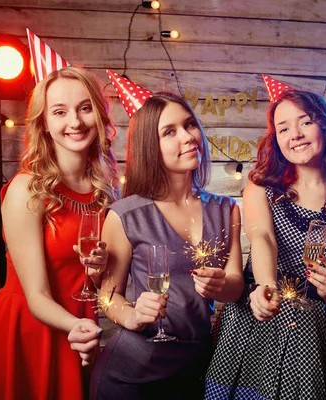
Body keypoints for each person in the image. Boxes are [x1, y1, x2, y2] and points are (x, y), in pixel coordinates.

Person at [0, 66, 120, 399]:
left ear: (99, 115)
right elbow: (36, 296)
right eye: (60, 112)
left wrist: (97, 272)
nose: (75, 122)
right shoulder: (27, 189)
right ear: (44, 123)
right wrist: (77, 327)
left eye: (85, 108)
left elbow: (91, 286)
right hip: (23, 336)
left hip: (79, 335)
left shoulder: (107, 190)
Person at [205, 88, 326, 400]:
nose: (295, 134)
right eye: (283, 128)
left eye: (305, 122)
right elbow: (263, 238)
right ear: (276, 139)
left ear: (325, 125)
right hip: (253, 316)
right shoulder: (262, 189)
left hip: (307, 330)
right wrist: (266, 286)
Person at [89, 90, 244, 400]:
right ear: (151, 147)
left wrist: (221, 285)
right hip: (131, 376)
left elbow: (236, 285)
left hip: (194, 369)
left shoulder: (227, 209)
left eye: (189, 125)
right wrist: (132, 315)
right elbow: (107, 296)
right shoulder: (125, 214)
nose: (188, 137)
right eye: (169, 132)